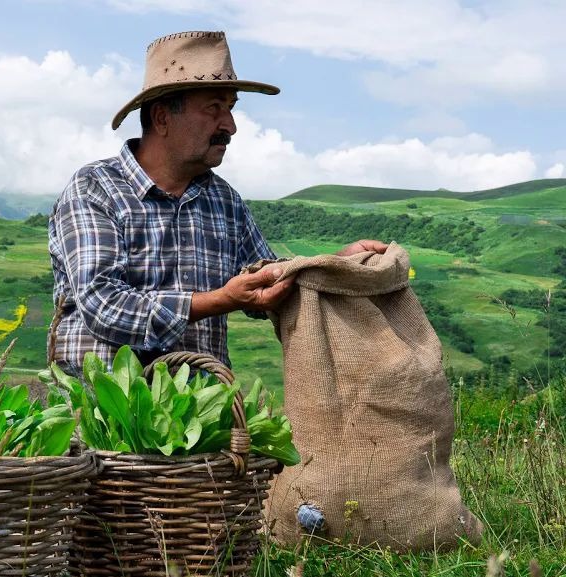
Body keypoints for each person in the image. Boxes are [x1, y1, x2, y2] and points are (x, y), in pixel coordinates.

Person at [48, 30, 385, 374]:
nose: (231, 125)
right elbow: (104, 305)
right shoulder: (95, 188)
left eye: (230, 107)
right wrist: (219, 300)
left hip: (203, 414)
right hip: (102, 413)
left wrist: (333, 264)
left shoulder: (224, 201)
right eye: (214, 108)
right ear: (162, 118)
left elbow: (265, 282)